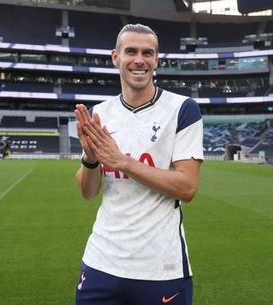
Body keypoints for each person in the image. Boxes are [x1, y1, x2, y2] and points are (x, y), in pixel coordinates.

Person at [74, 23, 203, 305]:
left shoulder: (183, 109)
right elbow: (87, 192)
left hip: (161, 268)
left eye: (148, 53)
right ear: (115, 57)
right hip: (101, 261)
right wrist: (90, 159)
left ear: (157, 60)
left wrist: (124, 162)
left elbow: (187, 186)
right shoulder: (98, 114)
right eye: (131, 51)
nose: (139, 60)